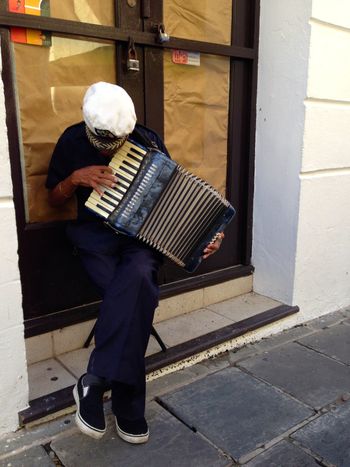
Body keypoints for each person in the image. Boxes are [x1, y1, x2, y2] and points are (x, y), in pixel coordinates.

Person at [46, 82, 224, 443]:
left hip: (138, 242)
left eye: (121, 138)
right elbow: (52, 198)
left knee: (139, 276)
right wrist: (74, 179)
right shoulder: (70, 141)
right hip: (93, 238)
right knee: (134, 295)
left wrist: (207, 236)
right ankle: (128, 407)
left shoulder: (148, 140)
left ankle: (94, 382)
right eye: (108, 140)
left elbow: (175, 199)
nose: (116, 146)